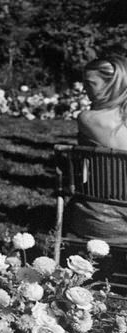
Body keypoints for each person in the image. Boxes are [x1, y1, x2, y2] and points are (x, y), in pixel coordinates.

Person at [67, 54, 127, 242]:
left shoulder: (88, 119)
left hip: (100, 221)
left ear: (112, 84)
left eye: (90, 83)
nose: (84, 89)